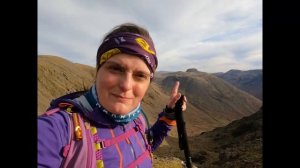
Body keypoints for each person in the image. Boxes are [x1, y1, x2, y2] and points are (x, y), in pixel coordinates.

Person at [38, 23, 187, 168]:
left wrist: (170, 114)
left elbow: (144, 147)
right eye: (116, 68)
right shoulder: (57, 129)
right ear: (98, 71)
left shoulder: (138, 118)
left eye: (140, 75)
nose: (126, 85)